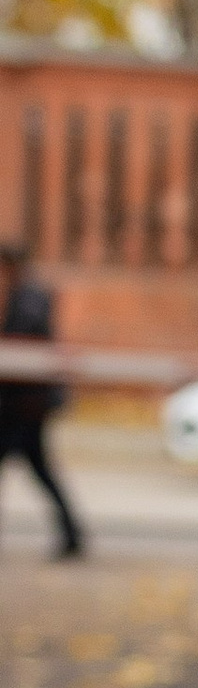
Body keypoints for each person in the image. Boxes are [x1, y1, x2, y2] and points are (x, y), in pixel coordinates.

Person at [0, 239, 83, 560]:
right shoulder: (21, 294)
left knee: (42, 471)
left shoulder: (30, 297)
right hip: (17, 402)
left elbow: (26, 338)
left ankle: (72, 534)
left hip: (26, 404)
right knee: (41, 471)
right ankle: (71, 534)